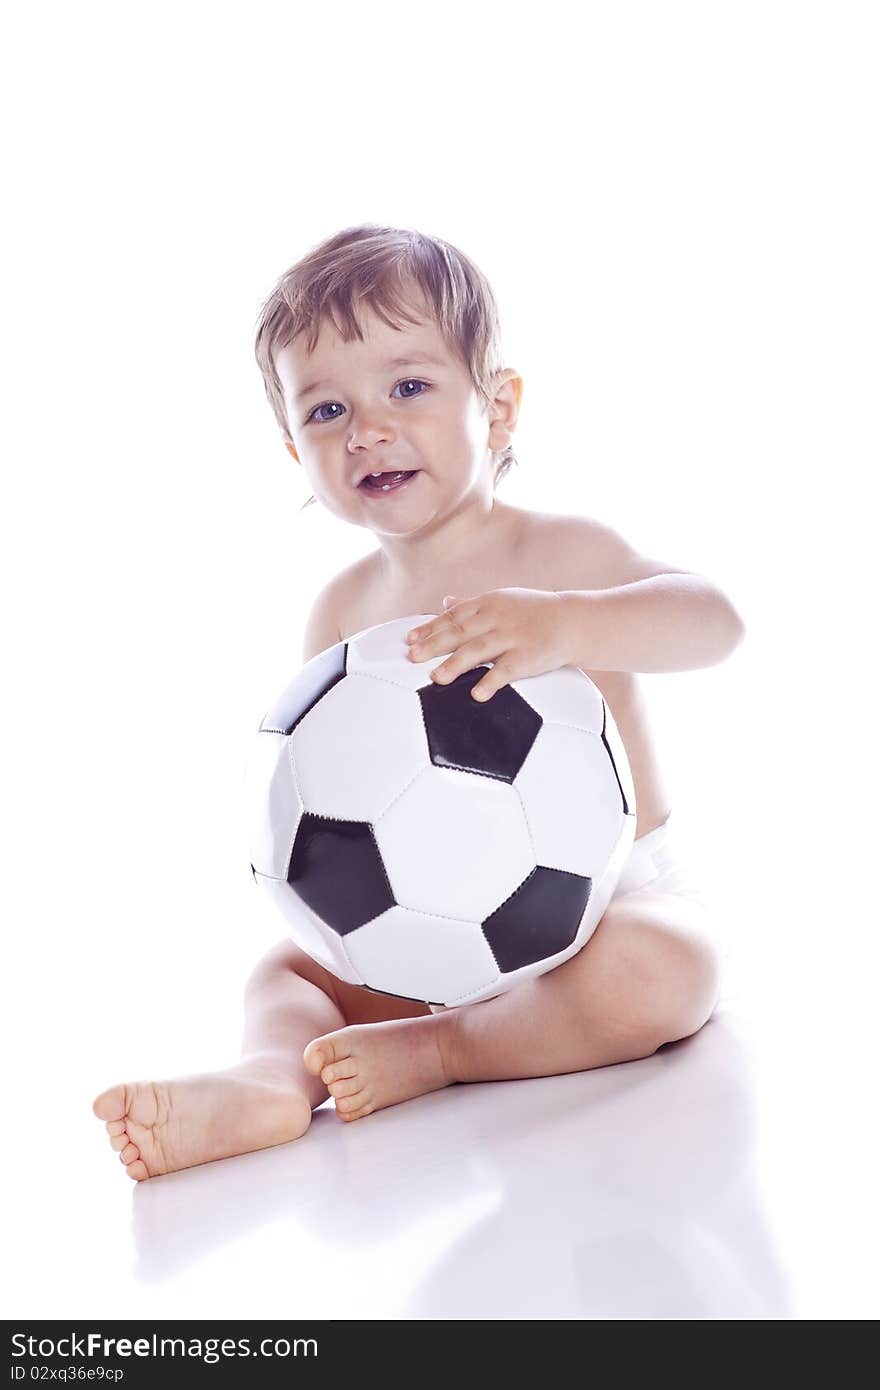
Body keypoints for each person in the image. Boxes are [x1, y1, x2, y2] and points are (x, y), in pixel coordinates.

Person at [93, 224, 746, 1180]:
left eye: (407, 387)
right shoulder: (344, 612)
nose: (367, 429)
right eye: (324, 410)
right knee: (287, 973)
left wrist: (568, 627)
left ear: (500, 407)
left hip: (607, 908)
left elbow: (716, 622)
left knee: (671, 973)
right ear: (293, 453)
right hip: (423, 933)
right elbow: (320, 782)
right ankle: (272, 1080)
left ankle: (445, 1054)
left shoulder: (560, 557)